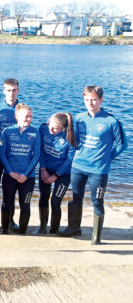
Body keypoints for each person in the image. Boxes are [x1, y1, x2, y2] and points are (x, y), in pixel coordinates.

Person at [59, 86, 127, 244]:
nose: (90, 103)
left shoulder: (111, 121)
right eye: (87, 100)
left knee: (97, 201)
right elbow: (73, 138)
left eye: (94, 99)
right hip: (78, 166)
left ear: (101, 100)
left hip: (98, 169)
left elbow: (122, 145)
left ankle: (96, 236)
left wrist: (108, 157)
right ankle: (74, 228)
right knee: (76, 197)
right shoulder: (79, 118)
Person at [0, 103, 40, 234]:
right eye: (26, 116)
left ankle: (22, 231)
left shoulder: (35, 133)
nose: (29, 119)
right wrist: (10, 172)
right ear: (17, 116)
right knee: (7, 203)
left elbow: (36, 156)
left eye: (31, 117)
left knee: (25, 204)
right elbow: (2, 154)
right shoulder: (8, 131)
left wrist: (25, 174)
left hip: (27, 177)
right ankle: (4, 230)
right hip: (9, 175)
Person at [35, 113, 76, 234]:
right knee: (43, 197)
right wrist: (43, 169)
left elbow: (69, 160)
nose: (51, 130)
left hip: (63, 173)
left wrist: (55, 176)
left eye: (55, 129)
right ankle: (42, 227)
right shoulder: (43, 128)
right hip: (46, 169)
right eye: (50, 126)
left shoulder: (70, 137)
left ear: (63, 129)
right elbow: (41, 149)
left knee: (55, 201)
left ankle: (54, 230)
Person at [0, 78, 21, 231]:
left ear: (18, 91)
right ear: (3, 91)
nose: (11, 93)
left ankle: (10, 219)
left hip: (14, 156)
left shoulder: (22, 109)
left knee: (10, 190)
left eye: (14, 90)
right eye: (8, 90)